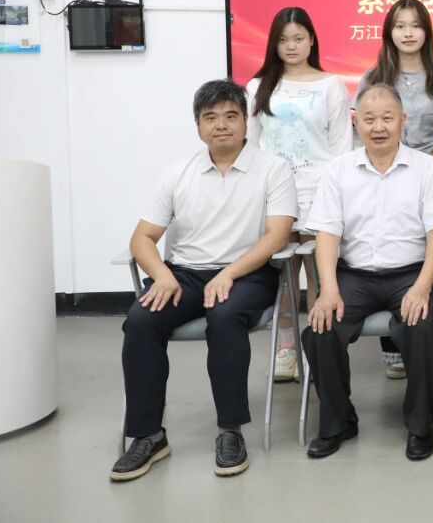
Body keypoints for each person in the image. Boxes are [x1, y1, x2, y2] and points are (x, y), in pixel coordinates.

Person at [111, 80, 297, 481]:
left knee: (225, 317)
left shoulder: (274, 169)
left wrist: (230, 273)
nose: (221, 125)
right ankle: (148, 436)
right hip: (185, 274)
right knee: (141, 321)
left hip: (248, 273)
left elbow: (278, 235)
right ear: (198, 126)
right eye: (210, 118)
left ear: (246, 122)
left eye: (231, 116)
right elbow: (142, 238)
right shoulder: (177, 173)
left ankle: (230, 431)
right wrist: (162, 275)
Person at [301, 84, 433, 462]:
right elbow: (327, 234)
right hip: (355, 275)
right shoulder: (339, 171)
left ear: (403, 120)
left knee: (422, 327)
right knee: (321, 328)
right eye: (369, 119)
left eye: (387, 118)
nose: (378, 127)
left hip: (415, 271)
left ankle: (420, 426)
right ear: (356, 123)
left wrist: (423, 287)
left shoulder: (427, 169)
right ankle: (339, 422)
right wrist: (327, 289)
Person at [246, 7, 352, 382]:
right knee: (285, 275)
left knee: (319, 273)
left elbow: (341, 149)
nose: (291, 46)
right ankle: (286, 349)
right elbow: (251, 149)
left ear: (312, 41)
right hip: (276, 194)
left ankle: (317, 346)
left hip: (320, 193)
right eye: (283, 39)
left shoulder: (331, 86)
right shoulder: (257, 87)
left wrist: (336, 195)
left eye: (298, 38)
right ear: (273, 44)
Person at [359, 0, 433, 380]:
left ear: (427, 32)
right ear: (389, 33)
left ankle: (419, 335)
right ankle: (392, 348)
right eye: (400, 26)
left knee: (425, 252)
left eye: (415, 25)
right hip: (383, 177)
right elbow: (365, 130)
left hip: (428, 177)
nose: (408, 33)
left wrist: (429, 170)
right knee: (387, 248)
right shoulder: (373, 77)